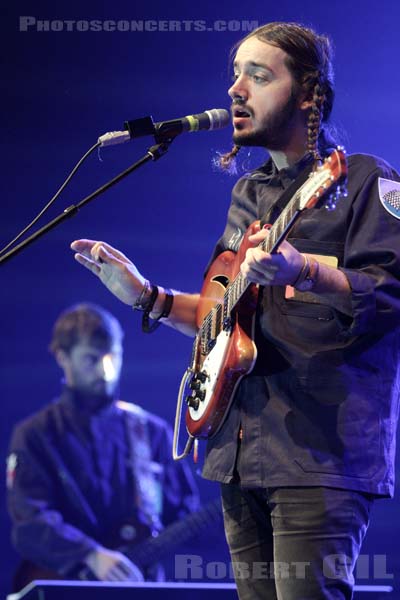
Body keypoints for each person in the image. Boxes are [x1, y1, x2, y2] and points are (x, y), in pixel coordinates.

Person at [69, 22, 400, 600]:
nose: (236, 90)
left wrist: (305, 271)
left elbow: (390, 293)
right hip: (236, 451)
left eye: (259, 75)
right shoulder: (247, 196)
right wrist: (147, 295)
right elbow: (224, 321)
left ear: (309, 95)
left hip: (318, 453)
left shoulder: (366, 181)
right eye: (235, 75)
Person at [6, 303, 199, 591]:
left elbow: (184, 512)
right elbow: (30, 522)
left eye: (113, 357)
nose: (106, 371)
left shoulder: (151, 432)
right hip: (65, 584)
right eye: (91, 359)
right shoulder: (35, 434)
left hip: (139, 585)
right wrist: (89, 555)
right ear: (62, 357)